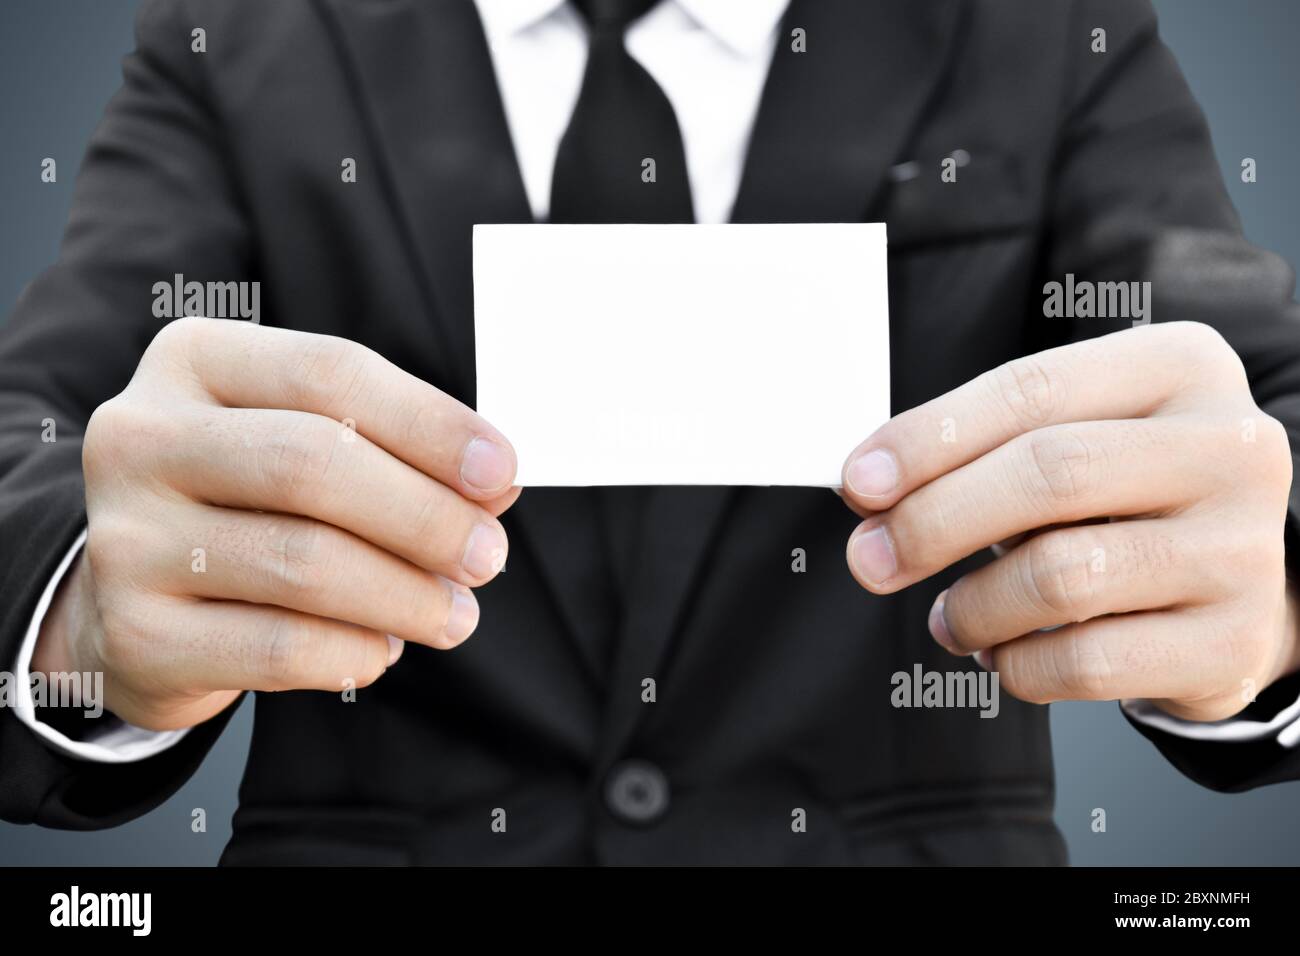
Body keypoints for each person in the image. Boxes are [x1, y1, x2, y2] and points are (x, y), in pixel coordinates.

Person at [2, 0, 1299, 865]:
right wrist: (81, 616)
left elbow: (1257, 402)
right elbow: (33, 434)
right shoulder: (237, 40)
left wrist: (1277, 590)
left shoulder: (1048, 31)